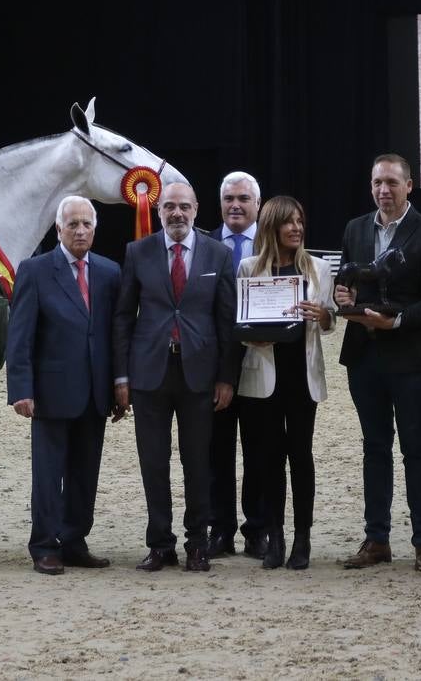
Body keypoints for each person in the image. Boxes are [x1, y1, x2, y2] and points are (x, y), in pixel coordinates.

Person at [114, 181, 238, 573]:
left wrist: (226, 378)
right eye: (169, 206)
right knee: (154, 462)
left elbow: (227, 321)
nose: (177, 213)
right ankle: (160, 544)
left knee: (198, 463)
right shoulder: (138, 252)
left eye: (184, 206)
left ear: (197, 209)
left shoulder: (218, 253)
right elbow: (122, 317)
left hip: (199, 376)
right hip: (149, 375)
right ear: (158, 211)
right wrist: (121, 376)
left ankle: (197, 544)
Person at [335, 154, 421, 571]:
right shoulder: (356, 228)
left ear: (409, 185)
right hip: (363, 356)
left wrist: (396, 320)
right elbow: (345, 284)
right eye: (377, 182)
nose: (384, 190)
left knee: (415, 449)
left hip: (409, 357)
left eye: (392, 183)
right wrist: (342, 298)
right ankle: (376, 539)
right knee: (374, 448)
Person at [6, 196, 124, 575]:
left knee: (84, 474)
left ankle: (74, 541)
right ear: (58, 229)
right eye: (72, 224)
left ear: (95, 228)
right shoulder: (35, 271)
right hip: (50, 394)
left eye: (86, 224)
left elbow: (115, 334)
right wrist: (21, 388)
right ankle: (44, 544)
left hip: (95, 393)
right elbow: (19, 336)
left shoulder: (109, 272)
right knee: (48, 474)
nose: (80, 230)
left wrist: (120, 385)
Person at [235, 195, 336, 570]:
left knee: (301, 457)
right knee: (268, 459)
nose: (296, 228)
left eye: (300, 221)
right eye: (289, 222)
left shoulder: (319, 269)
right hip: (263, 375)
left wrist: (323, 315)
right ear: (272, 226)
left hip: (302, 375)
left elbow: (330, 322)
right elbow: (241, 323)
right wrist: (251, 337)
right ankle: (274, 538)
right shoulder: (248, 267)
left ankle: (303, 539)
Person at [206, 171, 265, 559]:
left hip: (263, 362)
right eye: (229, 198)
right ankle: (221, 530)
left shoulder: (277, 243)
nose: (235, 205)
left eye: (243, 198)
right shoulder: (204, 245)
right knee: (216, 452)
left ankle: (257, 530)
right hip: (213, 368)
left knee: (260, 450)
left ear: (257, 204)